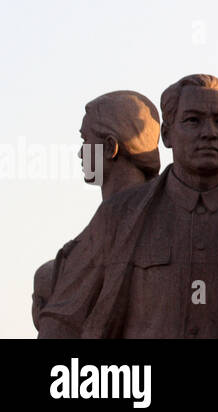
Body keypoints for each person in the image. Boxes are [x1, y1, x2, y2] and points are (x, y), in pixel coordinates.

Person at [38, 74, 218, 338]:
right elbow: (64, 318)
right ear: (167, 134)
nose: (209, 133)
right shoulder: (119, 215)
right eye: (193, 121)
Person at [32, 91, 161, 328]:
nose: (81, 153)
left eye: (85, 141)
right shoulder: (94, 233)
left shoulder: (150, 217)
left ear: (110, 146)